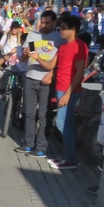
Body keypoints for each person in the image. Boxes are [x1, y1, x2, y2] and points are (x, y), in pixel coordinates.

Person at [38, 14, 88, 170]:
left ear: (73, 30)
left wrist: (68, 93)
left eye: (63, 28)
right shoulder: (64, 47)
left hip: (69, 89)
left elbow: (80, 71)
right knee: (67, 123)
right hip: (60, 87)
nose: (60, 31)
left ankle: (70, 158)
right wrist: (36, 57)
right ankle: (68, 155)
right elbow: (54, 65)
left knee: (62, 123)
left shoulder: (79, 46)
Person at [15, 10, 62, 158]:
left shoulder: (58, 38)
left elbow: (59, 61)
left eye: (48, 23)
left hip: (46, 81)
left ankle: (41, 147)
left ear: (54, 23)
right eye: (43, 22)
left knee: (43, 115)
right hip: (30, 77)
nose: (44, 25)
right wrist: (25, 54)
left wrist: (51, 73)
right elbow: (24, 59)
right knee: (29, 113)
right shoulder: (33, 35)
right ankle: (29, 144)